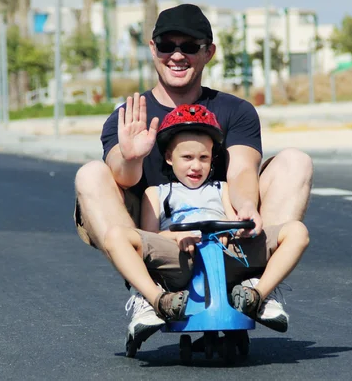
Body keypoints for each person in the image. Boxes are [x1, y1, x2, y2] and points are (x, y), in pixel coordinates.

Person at [73, 4, 313, 349]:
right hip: (159, 240)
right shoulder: (130, 115)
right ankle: (149, 295)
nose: (177, 56)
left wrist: (246, 205)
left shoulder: (236, 110)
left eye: (188, 46)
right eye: (167, 45)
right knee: (90, 174)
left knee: (295, 160)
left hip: (229, 237)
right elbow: (120, 178)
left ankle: (257, 284)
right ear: (153, 49)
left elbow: (243, 168)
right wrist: (131, 156)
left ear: (208, 52)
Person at [103, 104, 309, 352]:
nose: (196, 166)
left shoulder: (221, 189)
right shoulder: (157, 194)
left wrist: (236, 231)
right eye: (187, 158)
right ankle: (158, 300)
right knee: (116, 236)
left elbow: (232, 222)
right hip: (179, 257)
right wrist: (175, 236)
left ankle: (257, 295)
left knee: (297, 232)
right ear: (169, 158)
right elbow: (149, 237)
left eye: (204, 158)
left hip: (223, 255)